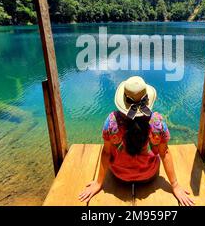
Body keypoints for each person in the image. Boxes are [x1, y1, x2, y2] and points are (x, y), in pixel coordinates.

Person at [79, 76, 195, 206]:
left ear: (123, 100)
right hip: (148, 176)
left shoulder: (111, 121)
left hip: (119, 177)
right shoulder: (157, 121)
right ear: (147, 99)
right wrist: (175, 186)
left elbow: (106, 153)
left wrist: (98, 183)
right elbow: (165, 153)